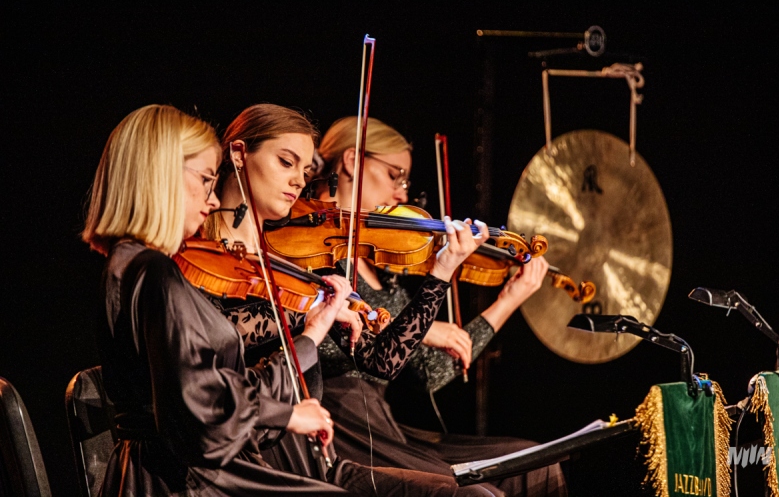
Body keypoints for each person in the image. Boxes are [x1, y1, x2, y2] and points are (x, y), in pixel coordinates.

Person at [204, 103, 494, 496]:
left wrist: (442, 271)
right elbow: (217, 350)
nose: (297, 182)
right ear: (239, 155)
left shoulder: (295, 260)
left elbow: (383, 360)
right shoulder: (199, 255)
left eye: (304, 171)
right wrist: (310, 315)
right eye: (286, 162)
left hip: (313, 454)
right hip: (251, 454)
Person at [82, 104, 353, 495]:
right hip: (182, 479)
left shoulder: (128, 264)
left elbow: (202, 390)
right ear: (162, 174)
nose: (211, 202)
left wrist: (310, 339)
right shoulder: (152, 270)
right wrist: (287, 413)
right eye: (206, 179)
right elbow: (203, 410)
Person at [313, 116, 568, 497]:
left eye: (405, 181)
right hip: (342, 424)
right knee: (479, 494)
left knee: (535, 461)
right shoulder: (313, 249)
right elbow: (328, 343)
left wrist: (508, 301)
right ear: (352, 160)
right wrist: (424, 326)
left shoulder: (383, 264)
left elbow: (429, 371)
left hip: (385, 426)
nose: (401, 193)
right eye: (394, 175)